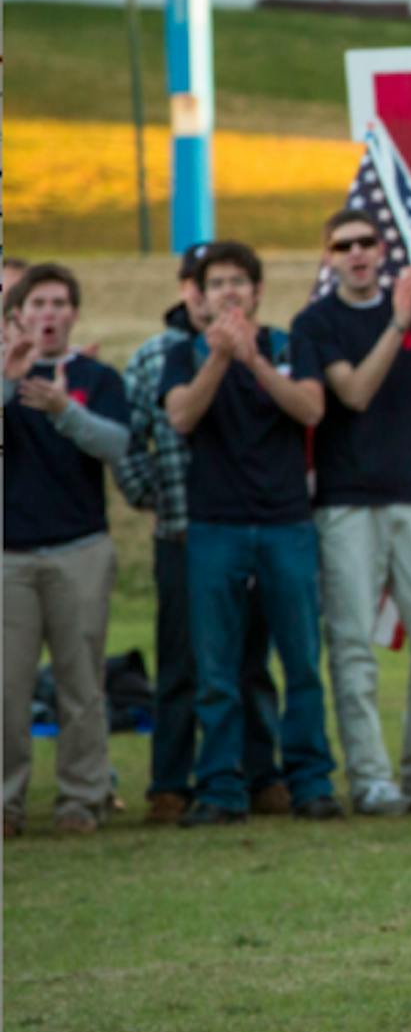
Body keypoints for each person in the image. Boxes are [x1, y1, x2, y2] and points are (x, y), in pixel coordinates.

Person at [289, 209, 411, 814]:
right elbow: (352, 392)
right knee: (352, 643)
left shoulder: (409, 312)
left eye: (366, 243)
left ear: (382, 251)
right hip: (347, 503)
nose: (356, 254)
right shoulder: (315, 323)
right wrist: (397, 323)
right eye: (343, 246)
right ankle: (372, 778)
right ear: (328, 257)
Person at [159, 242, 343, 826]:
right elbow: (182, 416)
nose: (230, 292)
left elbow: (311, 409)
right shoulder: (184, 354)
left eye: (240, 282)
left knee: (301, 662)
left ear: (258, 291)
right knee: (217, 670)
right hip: (215, 527)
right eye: (218, 284)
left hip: (286, 523)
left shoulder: (289, 346)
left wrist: (255, 362)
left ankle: (310, 780)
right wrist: (219, 358)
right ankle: (220, 788)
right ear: (201, 295)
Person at [116, 244, 288, 824]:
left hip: (247, 523)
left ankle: (261, 773)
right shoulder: (156, 358)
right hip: (180, 533)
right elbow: (131, 440)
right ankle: (170, 780)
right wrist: (152, 498)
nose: (209, 293)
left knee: (250, 663)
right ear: (189, 289)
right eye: (198, 282)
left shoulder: (263, 349)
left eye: (224, 281)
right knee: (183, 665)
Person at [3, 264, 128, 838]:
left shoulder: (96, 378)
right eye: (38, 304)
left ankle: (83, 797)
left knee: (82, 683)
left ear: (73, 314)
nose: (48, 314)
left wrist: (63, 410)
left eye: (59, 304)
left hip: (80, 548)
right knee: (9, 686)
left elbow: (118, 444)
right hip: (11, 556)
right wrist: (9, 383)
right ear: (17, 315)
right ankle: (7, 802)